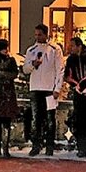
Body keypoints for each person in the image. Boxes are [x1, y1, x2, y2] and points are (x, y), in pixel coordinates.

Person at [22, 24, 62, 156]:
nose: (37, 37)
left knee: (50, 119)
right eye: (36, 35)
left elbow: (60, 70)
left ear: (46, 34)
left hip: (49, 89)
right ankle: (36, 144)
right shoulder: (31, 50)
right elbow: (25, 69)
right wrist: (33, 64)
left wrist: (57, 88)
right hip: (35, 88)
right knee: (36, 118)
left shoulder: (55, 49)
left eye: (40, 34)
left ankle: (49, 145)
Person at [63, 37, 86, 158]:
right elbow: (67, 75)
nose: (71, 48)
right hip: (78, 93)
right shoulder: (71, 59)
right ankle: (81, 147)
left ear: (79, 46)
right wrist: (76, 86)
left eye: (72, 46)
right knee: (79, 120)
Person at [0, 39, 20, 158]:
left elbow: (15, 73)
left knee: (6, 121)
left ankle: (5, 148)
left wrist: (3, 75)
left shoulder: (11, 60)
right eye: (4, 48)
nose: (6, 50)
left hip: (8, 93)